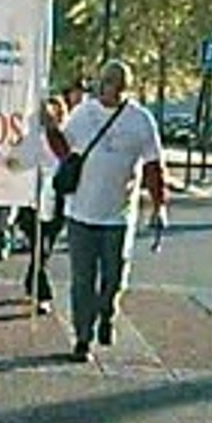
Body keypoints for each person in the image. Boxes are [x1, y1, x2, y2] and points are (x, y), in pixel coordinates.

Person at [51, 59, 169, 363]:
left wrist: (159, 206)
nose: (110, 91)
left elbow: (154, 166)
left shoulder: (140, 120)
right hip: (81, 213)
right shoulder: (83, 114)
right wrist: (50, 128)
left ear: (125, 88)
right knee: (82, 280)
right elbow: (64, 150)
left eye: (117, 86)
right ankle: (82, 337)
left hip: (118, 215)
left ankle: (107, 312)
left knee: (114, 277)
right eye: (106, 84)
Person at [16, 94, 70, 314]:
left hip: (57, 201)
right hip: (32, 201)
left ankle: (31, 281)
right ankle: (42, 294)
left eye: (55, 113)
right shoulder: (31, 139)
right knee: (40, 248)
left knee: (44, 249)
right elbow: (16, 163)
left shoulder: (65, 138)